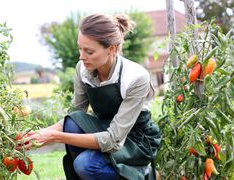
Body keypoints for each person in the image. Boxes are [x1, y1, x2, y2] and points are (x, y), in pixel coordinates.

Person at [25, 13, 161, 180]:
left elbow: (113, 140)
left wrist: (54, 137)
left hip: (137, 140)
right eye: (80, 48)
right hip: (105, 127)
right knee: (73, 122)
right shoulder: (83, 69)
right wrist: (37, 134)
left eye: (89, 51)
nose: (81, 56)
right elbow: (74, 116)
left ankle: (142, 174)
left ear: (112, 48)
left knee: (85, 165)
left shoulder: (135, 77)